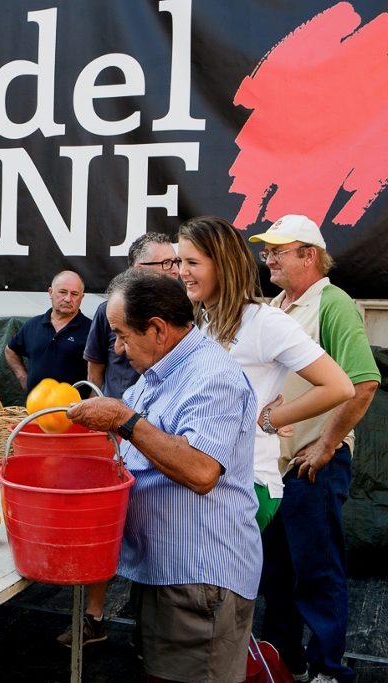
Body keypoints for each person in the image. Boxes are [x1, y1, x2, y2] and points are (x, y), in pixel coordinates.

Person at [68, 269, 261, 683]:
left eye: (121, 335)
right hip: (169, 572)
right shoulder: (159, 375)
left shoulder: (213, 376)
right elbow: (129, 450)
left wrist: (122, 418)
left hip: (199, 580)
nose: (117, 349)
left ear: (157, 329)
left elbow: (201, 469)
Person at [249, 214, 380, 683]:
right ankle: (283, 664)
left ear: (308, 254)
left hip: (312, 467)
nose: (268, 259)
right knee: (278, 575)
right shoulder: (279, 305)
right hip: (277, 469)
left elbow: (363, 383)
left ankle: (328, 670)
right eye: (266, 251)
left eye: (277, 251)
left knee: (318, 573)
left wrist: (326, 445)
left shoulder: (334, 303)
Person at [178, 216, 353, 530]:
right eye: (180, 262)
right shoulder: (203, 322)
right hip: (204, 479)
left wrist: (270, 418)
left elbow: (340, 386)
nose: (182, 272)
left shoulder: (265, 321)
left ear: (222, 264)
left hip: (245, 483)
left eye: (192, 262)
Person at [59, 234, 182, 648]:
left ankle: (147, 615)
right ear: (134, 270)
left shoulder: (182, 319)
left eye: (175, 264)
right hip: (115, 434)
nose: (173, 272)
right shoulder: (107, 312)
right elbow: (95, 365)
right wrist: (100, 413)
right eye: (161, 266)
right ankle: (95, 616)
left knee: (149, 518)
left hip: (157, 436)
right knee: (103, 523)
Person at [84, 233, 180, 398]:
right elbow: (95, 370)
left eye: (176, 262)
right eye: (166, 263)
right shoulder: (108, 312)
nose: (176, 270)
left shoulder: (184, 312)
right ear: (140, 269)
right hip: (115, 417)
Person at [5, 270, 90, 394]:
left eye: (74, 294)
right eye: (62, 292)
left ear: (81, 297)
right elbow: (10, 350)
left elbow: (102, 370)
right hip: (35, 409)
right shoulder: (32, 325)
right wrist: (23, 377)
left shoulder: (92, 330)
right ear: (50, 292)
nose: (67, 299)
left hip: (74, 410)